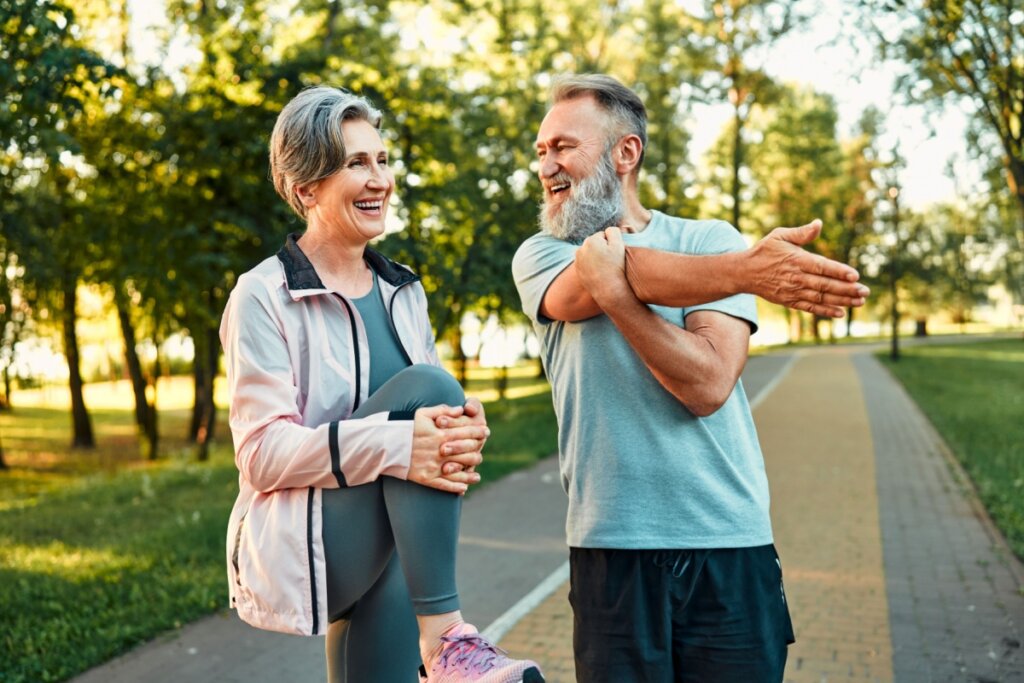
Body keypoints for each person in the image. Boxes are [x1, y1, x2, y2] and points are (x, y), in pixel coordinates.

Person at [512, 74, 870, 682]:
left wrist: (621, 294)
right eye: (542, 150)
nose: (545, 164)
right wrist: (745, 272)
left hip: (729, 544)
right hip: (610, 552)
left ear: (626, 153)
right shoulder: (541, 255)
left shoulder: (710, 239)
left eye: (563, 146)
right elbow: (591, 283)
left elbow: (706, 386)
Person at [220, 86, 544, 683]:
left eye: (383, 160)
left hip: (389, 546)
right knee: (428, 387)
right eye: (355, 163)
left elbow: (430, 426)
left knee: (439, 398)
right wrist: (403, 445)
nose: (380, 179)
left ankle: (441, 650)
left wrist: (464, 429)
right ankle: (447, 642)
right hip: (311, 541)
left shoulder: (402, 290)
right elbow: (261, 455)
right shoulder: (263, 294)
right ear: (306, 189)